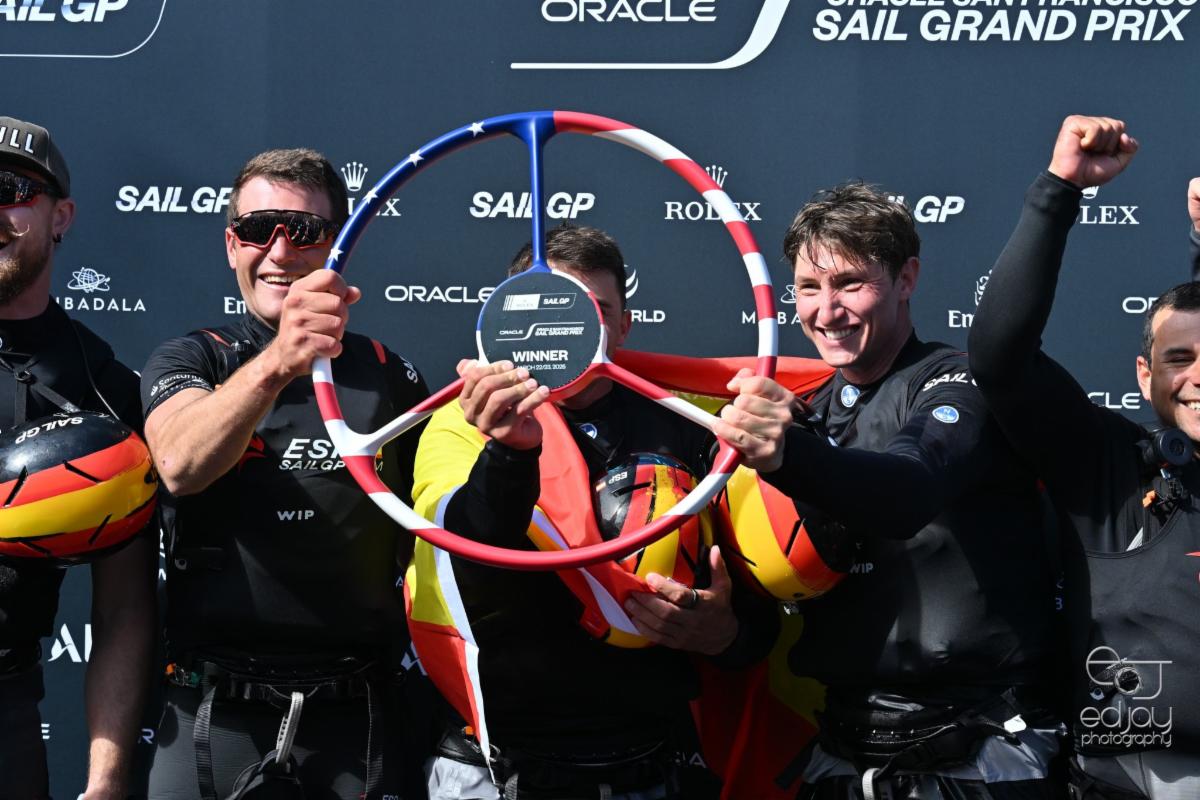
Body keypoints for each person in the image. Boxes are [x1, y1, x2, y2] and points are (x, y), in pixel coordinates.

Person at [409, 223, 780, 800]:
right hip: (501, 768)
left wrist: (723, 634)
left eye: (595, 312)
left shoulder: (693, 422)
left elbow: (761, 599)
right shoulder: (461, 422)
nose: (572, 330)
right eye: (554, 308)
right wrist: (510, 452)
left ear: (625, 324)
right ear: (505, 320)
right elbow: (465, 555)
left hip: (652, 766)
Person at [718, 183, 1063, 798]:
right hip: (841, 752)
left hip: (978, 751)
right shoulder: (807, 413)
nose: (827, 311)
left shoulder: (958, 383)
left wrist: (791, 453)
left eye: (850, 283)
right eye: (808, 288)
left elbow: (909, 491)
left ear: (907, 278)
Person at [141, 148, 429, 799]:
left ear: (338, 245)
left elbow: (437, 536)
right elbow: (180, 465)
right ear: (230, 245)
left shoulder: (391, 375)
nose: (279, 251)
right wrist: (280, 362)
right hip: (212, 716)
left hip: (358, 721)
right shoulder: (191, 358)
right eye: (255, 229)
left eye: (303, 230)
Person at [969, 115, 1200, 800]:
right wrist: (1059, 190)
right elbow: (1000, 359)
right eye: (1179, 359)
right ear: (1143, 376)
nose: (1197, 377)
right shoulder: (1109, 467)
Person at [0, 114, 155, 800]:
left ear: (59, 216)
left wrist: (107, 779)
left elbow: (123, 609)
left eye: (9, 191)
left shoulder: (103, 386)